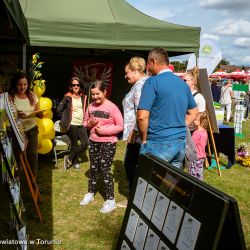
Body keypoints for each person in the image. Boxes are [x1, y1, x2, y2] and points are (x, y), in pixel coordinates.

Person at [137, 48, 198, 169]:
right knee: (170, 184)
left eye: (148, 64)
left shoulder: (152, 82)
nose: (148, 67)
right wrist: (179, 125)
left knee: (150, 184)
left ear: (153, 62)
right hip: (180, 143)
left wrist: (144, 140)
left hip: (158, 142)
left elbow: (142, 117)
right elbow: (194, 112)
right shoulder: (182, 84)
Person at [79, 80, 123, 213]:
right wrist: (89, 125)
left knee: (104, 170)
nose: (95, 97)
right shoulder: (91, 106)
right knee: (93, 168)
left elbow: (120, 126)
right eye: (93, 94)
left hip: (108, 143)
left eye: (98, 94)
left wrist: (103, 131)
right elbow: (85, 123)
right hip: (93, 141)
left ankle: (111, 200)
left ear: (104, 92)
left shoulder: (112, 107)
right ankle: (91, 194)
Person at [8, 71, 43, 179]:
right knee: (18, 156)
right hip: (17, 131)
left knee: (33, 156)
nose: (23, 87)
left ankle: (33, 180)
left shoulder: (32, 96)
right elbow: (7, 115)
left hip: (32, 130)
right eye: (20, 84)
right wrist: (16, 114)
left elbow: (38, 112)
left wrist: (40, 114)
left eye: (25, 84)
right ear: (15, 84)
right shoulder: (11, 97)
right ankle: (16, 180)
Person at [122, 57, 148, 191]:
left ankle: (133, 196)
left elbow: (141, 111)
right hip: (137, 134)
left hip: (137, 135)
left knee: (130, 165)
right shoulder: (143, 84)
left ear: (135, 70)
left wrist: (135, 132)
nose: (125, 76)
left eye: (127, 72)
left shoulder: (140, 86)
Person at [57, 76, 89, 170]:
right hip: (72, 124)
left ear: (80, 86)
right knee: (74, 144)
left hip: (82, 123)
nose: (75, 86)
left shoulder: (84, 96)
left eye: (77, 85)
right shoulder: (67, 97)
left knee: (85, 143)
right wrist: (66, 114)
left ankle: (69, 157)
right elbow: (59, 110)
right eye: (73, 85)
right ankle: (75, 163)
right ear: (71, 86)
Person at [187, 112, 208, 181]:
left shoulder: (196, 133)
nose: (194, 120)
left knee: (192, 174)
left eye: (196, 119)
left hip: (195, 157)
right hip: (202, 157)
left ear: (201, 122)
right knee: (199, 173)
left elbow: (191, 144)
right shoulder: (204, 131)